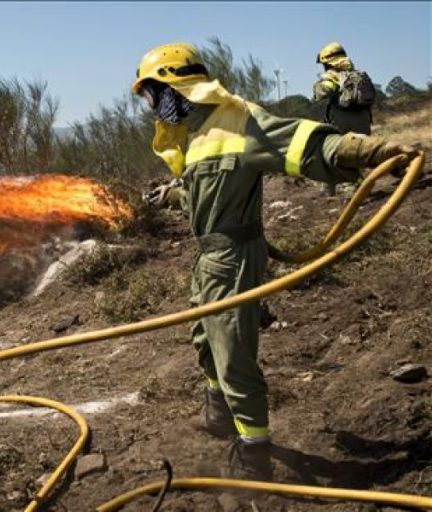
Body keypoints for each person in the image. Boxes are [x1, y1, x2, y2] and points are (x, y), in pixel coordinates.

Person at [133, 42, 414, 481]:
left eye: (152, 94)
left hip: (232, 257)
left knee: (232, 355)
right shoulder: (196, 134)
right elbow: (205, 191)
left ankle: (254, 455)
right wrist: (172, 195)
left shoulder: (239, 120)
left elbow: (304, 142)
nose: (152, 106)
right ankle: (219, 415)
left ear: (174, 86)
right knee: (204, 339)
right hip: (208, 257)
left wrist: (371, 151)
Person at [313, 42, 375, 136]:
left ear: (328, 62)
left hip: (341, 122)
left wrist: (318, 85)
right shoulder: (358, 75)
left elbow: (323, 92)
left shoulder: (333, 75)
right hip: (363, 120)